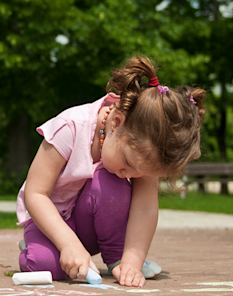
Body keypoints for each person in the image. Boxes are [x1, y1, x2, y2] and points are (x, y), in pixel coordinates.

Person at [16, 55, 206, 288]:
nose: (131, 175)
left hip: (91, 226)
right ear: (115, 122)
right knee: (45, 264)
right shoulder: (71, 127)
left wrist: (132, 261)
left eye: (140, 172)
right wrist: (68, 245)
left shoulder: (144, 148)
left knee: (109, 181)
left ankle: (117, 258)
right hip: (50, 220)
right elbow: (35, 193)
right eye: (128, 162)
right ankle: (35, 246)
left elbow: (145, 207)